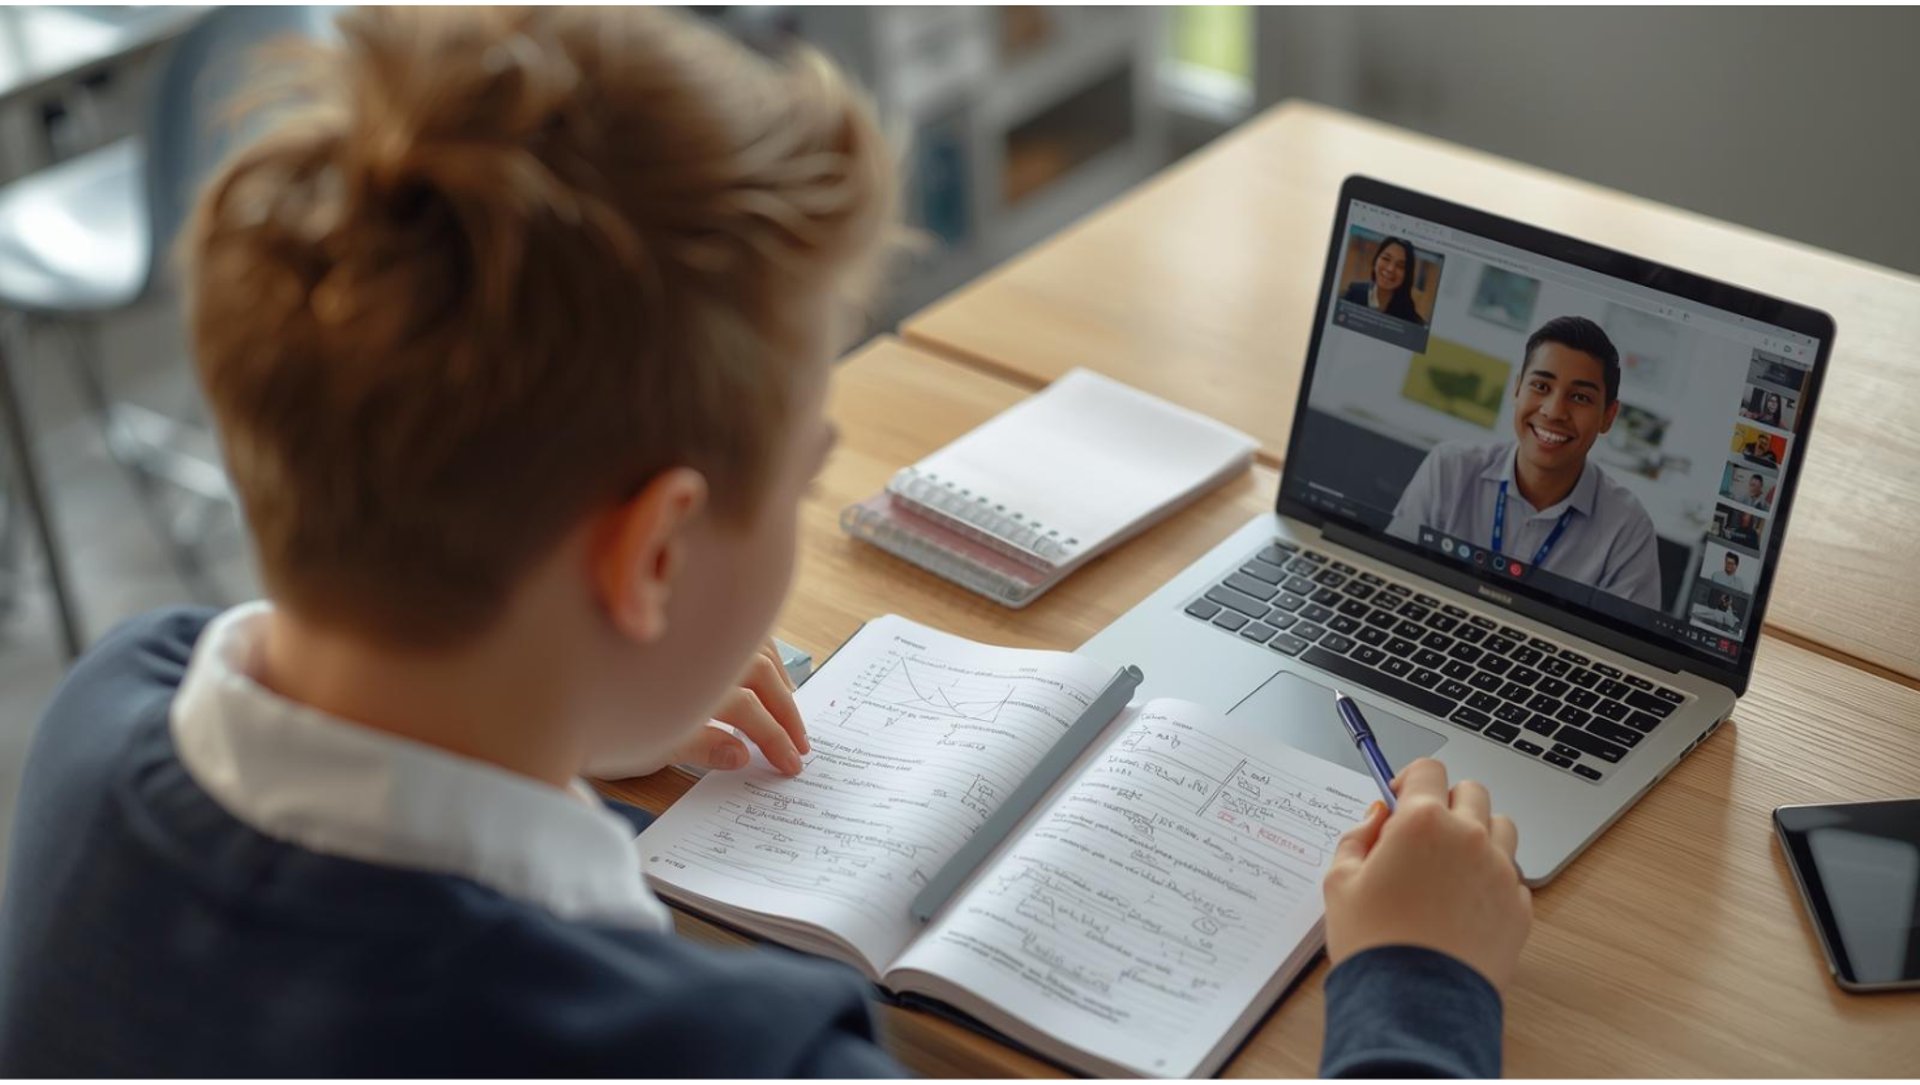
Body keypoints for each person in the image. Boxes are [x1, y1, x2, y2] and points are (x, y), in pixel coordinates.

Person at [0, 8, 1532, 1078]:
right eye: (802, 476)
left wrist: (574, 708)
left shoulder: (104, 708)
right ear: (652, 559)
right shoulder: (740, 1056)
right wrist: (1421, 987)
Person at [1388, 315, 1664, 609]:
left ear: (1608, 416)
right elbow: (1392, 578)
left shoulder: (1628, 527)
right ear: (1518, 388)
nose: (1554, 411)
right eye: (1541, 386)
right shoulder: (1449, 469)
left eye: (1580, 397)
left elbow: (1618, 637)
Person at [1341, 235, 1428, 325]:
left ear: (1407, 275)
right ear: (1375, 261)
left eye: (1400, 266)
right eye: (1386, 259)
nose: (1390, 269)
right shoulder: (1353, 293)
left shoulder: (1411, 319)